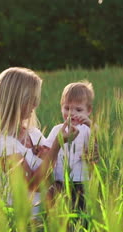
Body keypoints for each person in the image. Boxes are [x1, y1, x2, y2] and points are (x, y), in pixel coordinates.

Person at [0, 67, 78, 217]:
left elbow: (53, 170)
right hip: (24, 226)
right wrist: (57, 145)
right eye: (32, 99)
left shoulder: (33, 133)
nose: (35, 105)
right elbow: (33, 184)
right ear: (16, 100)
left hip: (50, 218)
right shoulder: (0, 143)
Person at [43, 81, 97, 210]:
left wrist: (90, 124)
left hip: (80, 181)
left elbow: (98, 142)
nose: (71, 113)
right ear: (61, 107)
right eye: (67, 108)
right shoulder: (58, 129)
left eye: (78, 109)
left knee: (79, 212)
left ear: (88, 110)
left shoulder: (87, 129)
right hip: (59, 180)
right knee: (59, 213)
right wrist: (39, 149)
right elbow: (47, 149)